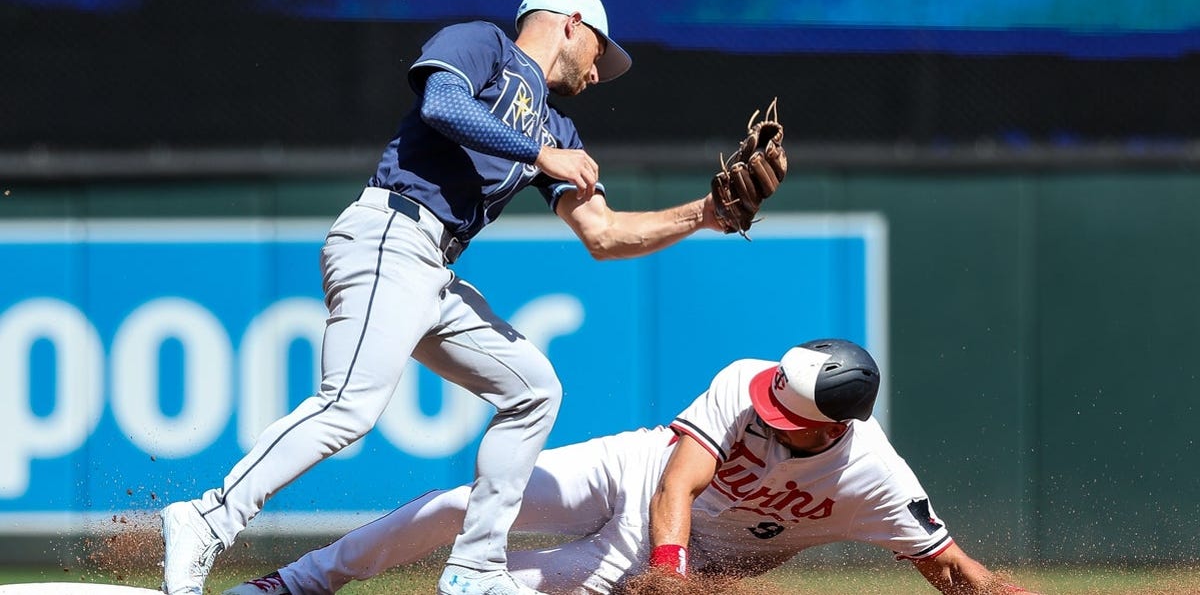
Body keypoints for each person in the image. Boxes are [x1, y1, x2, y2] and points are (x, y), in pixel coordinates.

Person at [159, 0, 730, 595]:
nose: (598, 72)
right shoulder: (484, 44)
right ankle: (207, 518)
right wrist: (540, 154)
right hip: (391, 232)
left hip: (432, 269)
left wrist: (705, 212)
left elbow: (605, 233)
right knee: (349, 404)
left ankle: (476, 567)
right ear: (569, 23)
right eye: (599, 50)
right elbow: (443, 105)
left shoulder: (558, 129)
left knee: (534, 389)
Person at [221, 339, 1040, 595]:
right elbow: (680, 479)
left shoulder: (876, 483)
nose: (766, 414)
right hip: (640, 483)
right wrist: (672, 577)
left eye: (788, 419)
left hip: (650, 560)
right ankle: (295, 585)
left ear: (835, 430)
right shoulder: (747, 382)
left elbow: (954, 570)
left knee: (492, 589)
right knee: (462, 506)